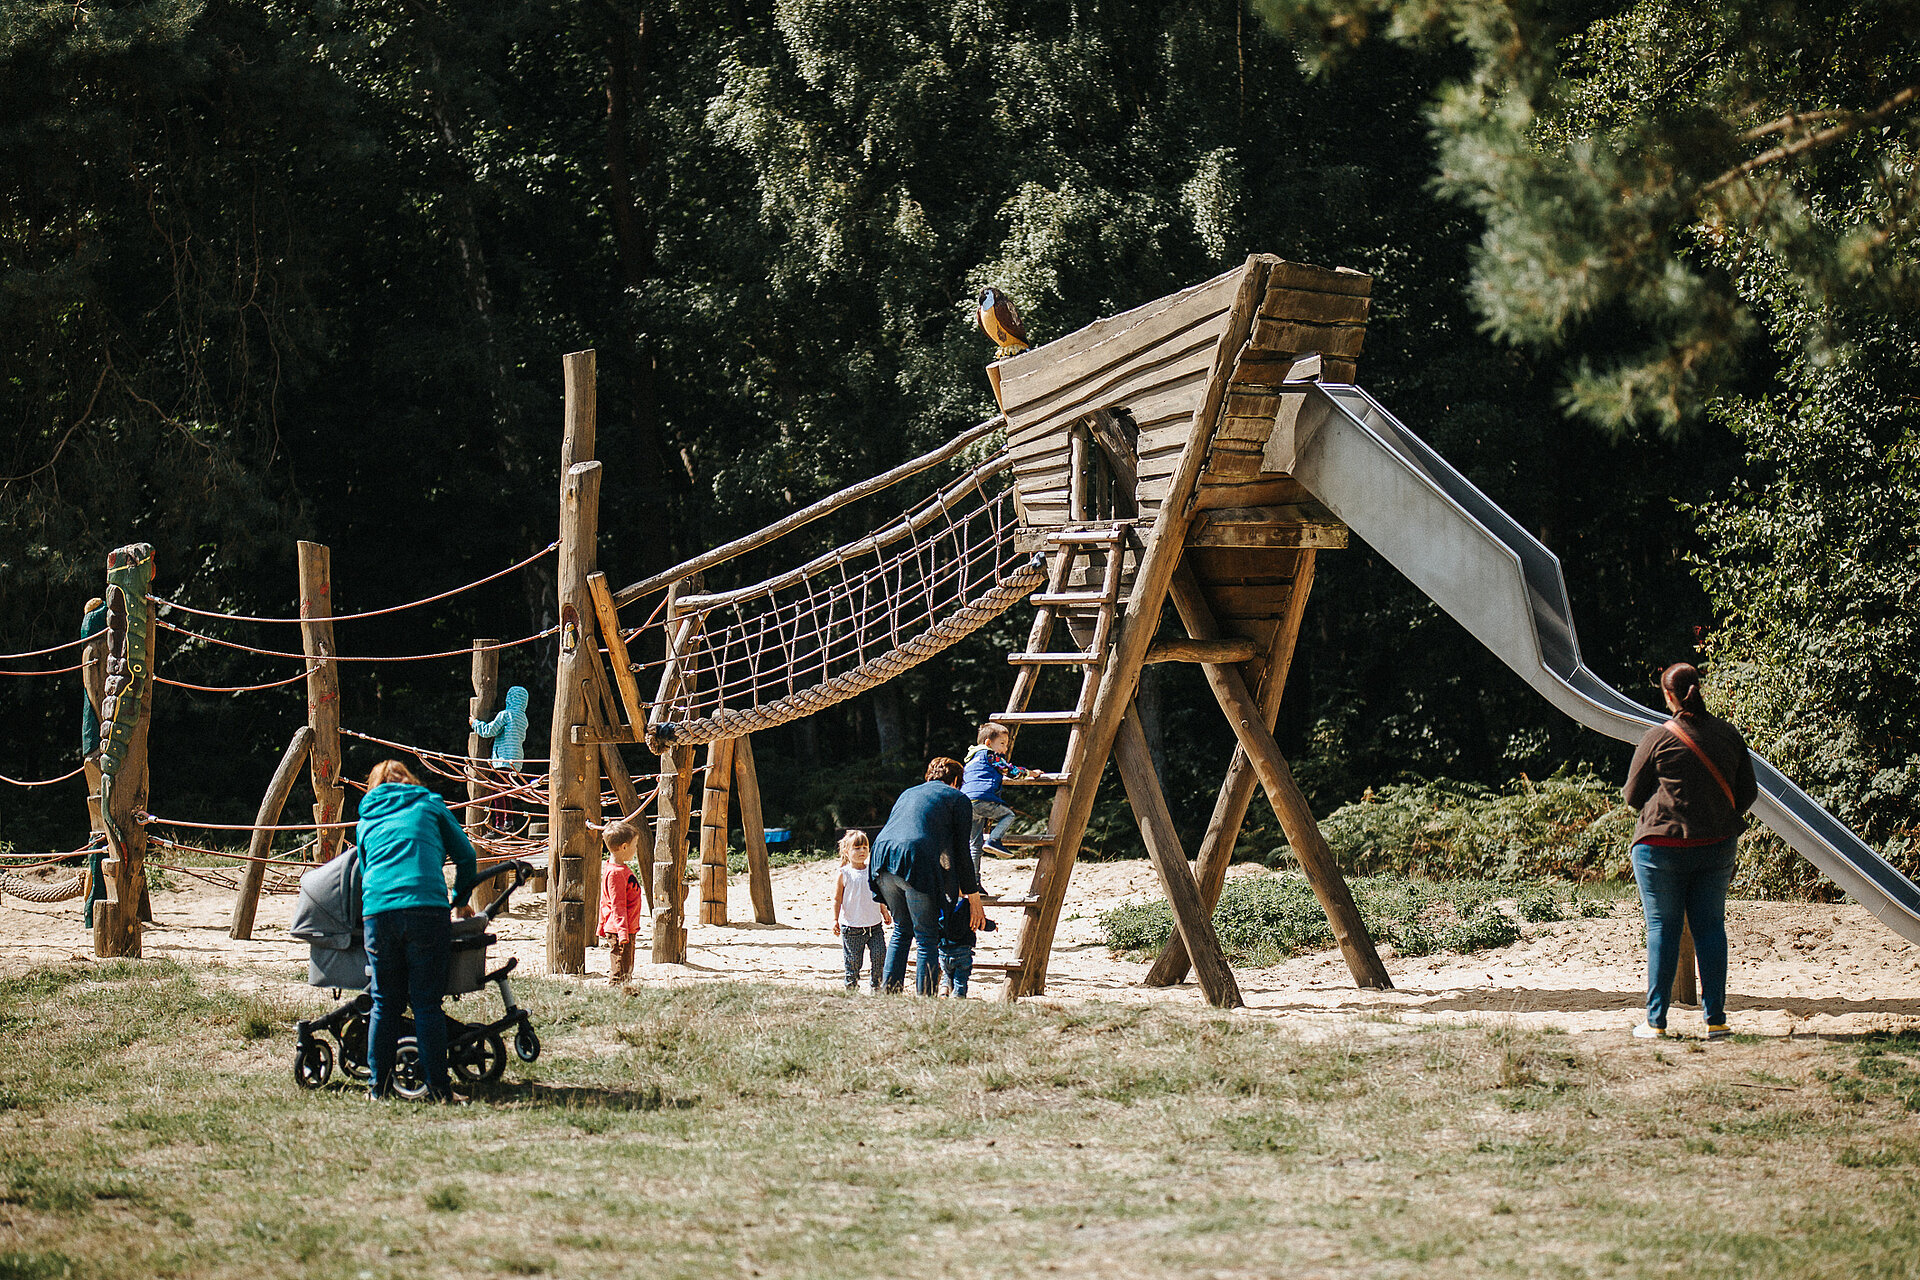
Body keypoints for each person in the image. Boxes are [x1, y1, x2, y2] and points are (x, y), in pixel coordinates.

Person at [1622, 663, 1757, 1041]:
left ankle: (1656, 1021)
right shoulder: (1729, 735)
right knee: (1711, 928)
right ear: (1700, 688)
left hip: (1660, 848)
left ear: (1668, 696)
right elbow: (1747, 795)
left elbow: (1632, 796)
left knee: (1663, 928)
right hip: (1715, 847)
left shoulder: (1657, 737)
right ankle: (1716, 1021)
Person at [356, 760, 479, 1100]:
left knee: (384, 1003)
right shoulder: (428, 805)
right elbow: (466, 856)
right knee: (426, 1004)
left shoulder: (366, 819)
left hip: (379, 913)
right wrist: (460, 899)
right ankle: (440, 1090)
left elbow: (367, 871)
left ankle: (377, 1091)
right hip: (426, 908)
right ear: (409, 780)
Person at [869, 757, 986, 995]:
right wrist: (973, 897)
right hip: (914, 859)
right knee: (927, 936)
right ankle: (926, 1000)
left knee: (902, 929)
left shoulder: (908, 793)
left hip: (881, 858)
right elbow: (962, 851)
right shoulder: (958, 798)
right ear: (955, 780)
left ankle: (889, 995)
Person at [962, 722, 1031, 868]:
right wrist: (1030, 773)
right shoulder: (990, 755)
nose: (1005, 749)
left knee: (974, 844)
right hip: (982, 799)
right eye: (1002, 743)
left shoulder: (969, 761)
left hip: (966, 803)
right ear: (988, 743)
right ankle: (994, 840)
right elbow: (1011, 771)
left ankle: (974, 882)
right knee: (1008, 815)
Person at [830, 829, 890, 992]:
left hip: (875, 926)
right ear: (846, 851)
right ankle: (851, 989)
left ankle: (876, 987)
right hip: (851, 928)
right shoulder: (844, 873)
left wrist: (884, 911)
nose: (862, 851)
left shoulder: (872, 870)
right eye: (857, 848)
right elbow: (837, 899)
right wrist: (835, 919)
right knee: (853, 961)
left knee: (879, 956)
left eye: (865, 847)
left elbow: (878, 893)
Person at [471, 686, 530, 831]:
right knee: (506, 790)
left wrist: (475, 724)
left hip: (503, 758)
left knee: (497, 790)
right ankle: (509, 820)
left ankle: (499, 824)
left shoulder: (506, 715)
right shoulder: (523, 718)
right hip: (516, 760)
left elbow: (488, 731)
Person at [598, 820, 646, 986]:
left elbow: (605, 901)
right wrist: (623, 933)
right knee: (620, 969)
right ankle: (615, 994)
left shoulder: (617, 868)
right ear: (624, 847)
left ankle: (625, 992)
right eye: (635, 845)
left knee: (627, 967)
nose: (636, 849)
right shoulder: (616, 874)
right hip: (620, 930)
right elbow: (616, 905)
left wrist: (601, 924)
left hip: (625, 928)